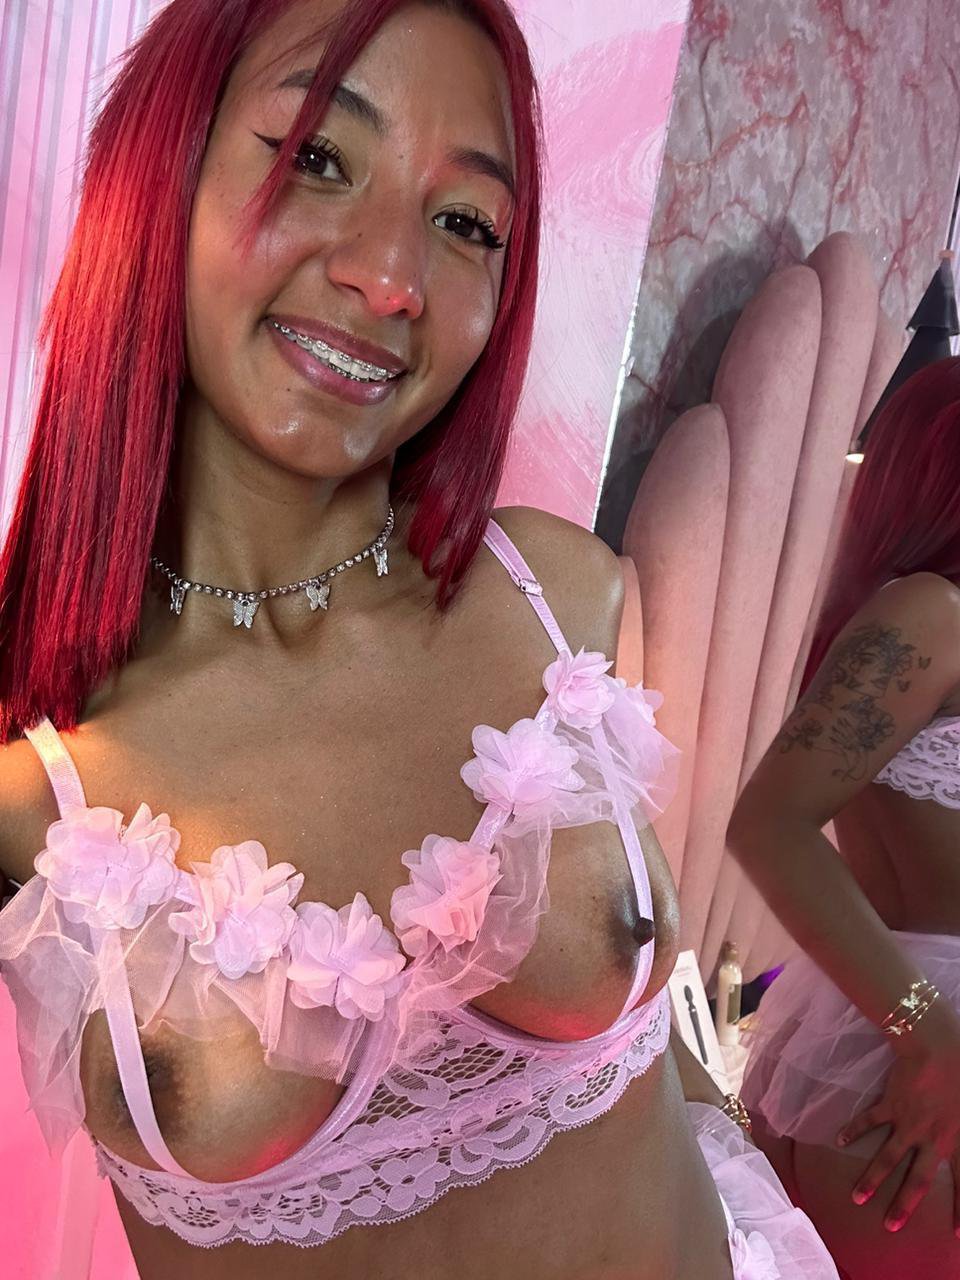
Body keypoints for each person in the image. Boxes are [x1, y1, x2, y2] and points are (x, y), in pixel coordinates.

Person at [0, 2, 837, 1276]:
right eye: (316, 157)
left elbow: (641, 1061)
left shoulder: (562, 598)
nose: (393, 278)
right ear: (161, 172)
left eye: (465, 224)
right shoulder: (31, 783)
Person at [729, 357, 960, 1279]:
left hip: (885, 1043)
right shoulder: (931, 612)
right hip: (910, 1051)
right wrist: (927, 1031)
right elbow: (768, 826)